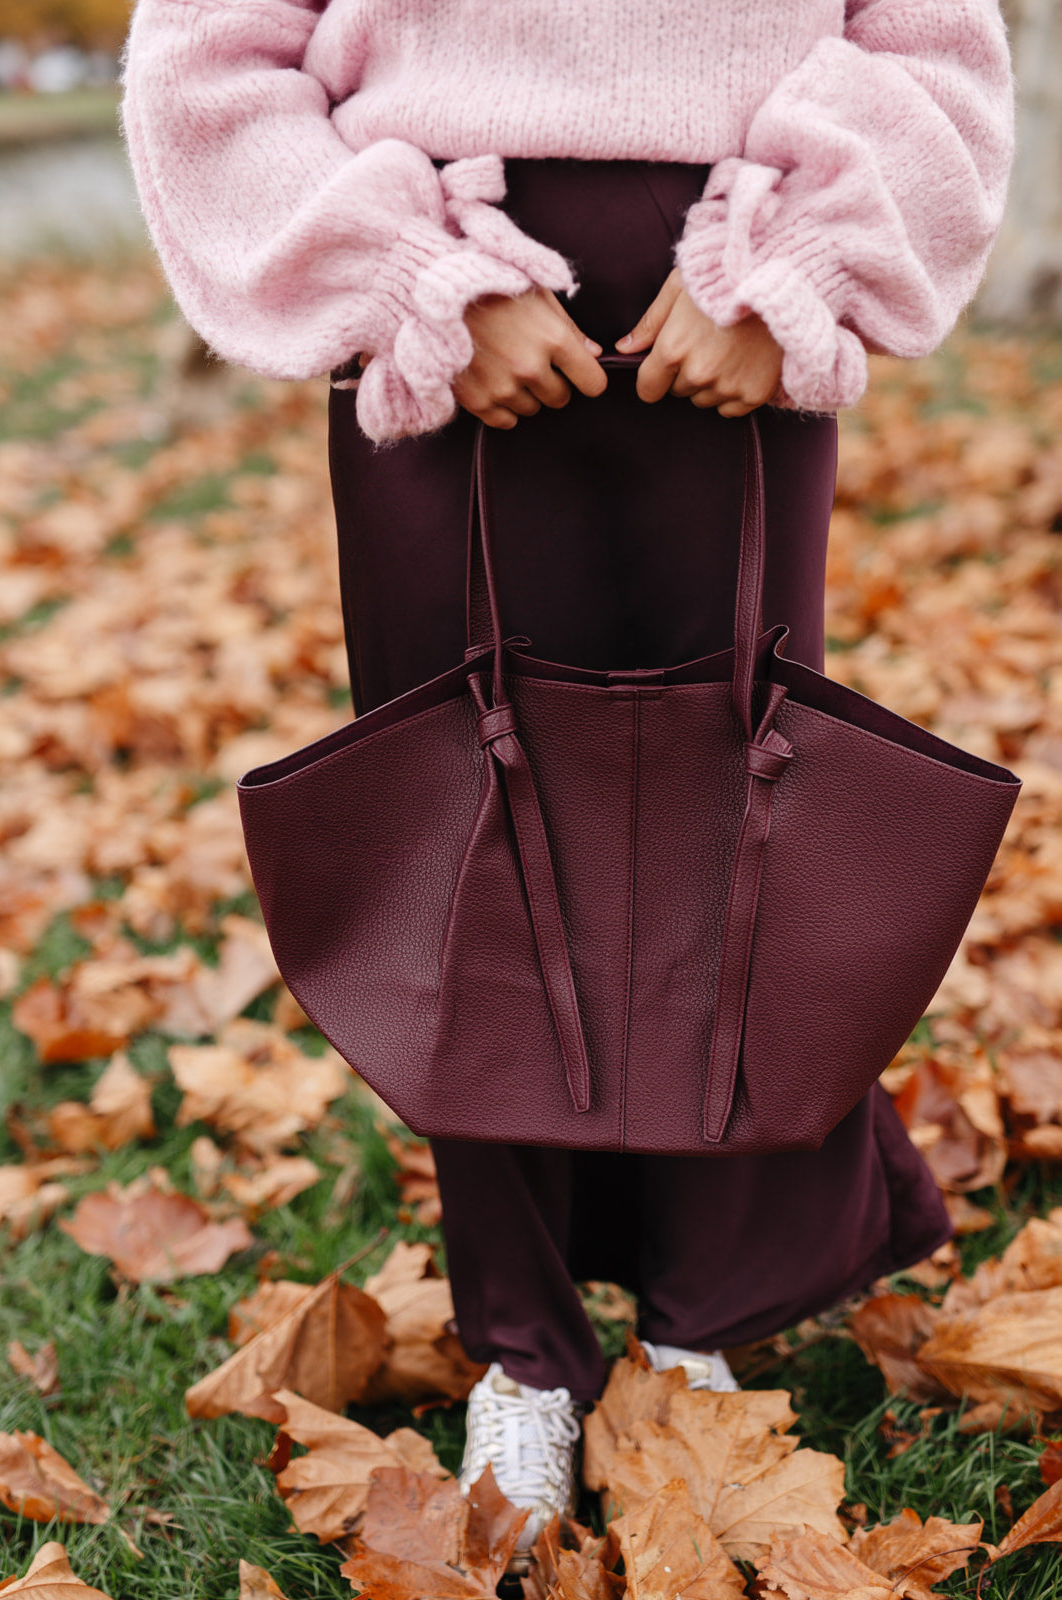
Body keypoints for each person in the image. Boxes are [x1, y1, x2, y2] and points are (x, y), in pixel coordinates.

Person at [122, 0, 1015, 1568]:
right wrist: (415, 281)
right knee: (473, 823)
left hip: (733, 282)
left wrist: (792, 268)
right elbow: (206, 51)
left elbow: (938, 40)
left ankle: (697, 1326)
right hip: (443, 294)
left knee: (737, 811)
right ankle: (525, 1342)